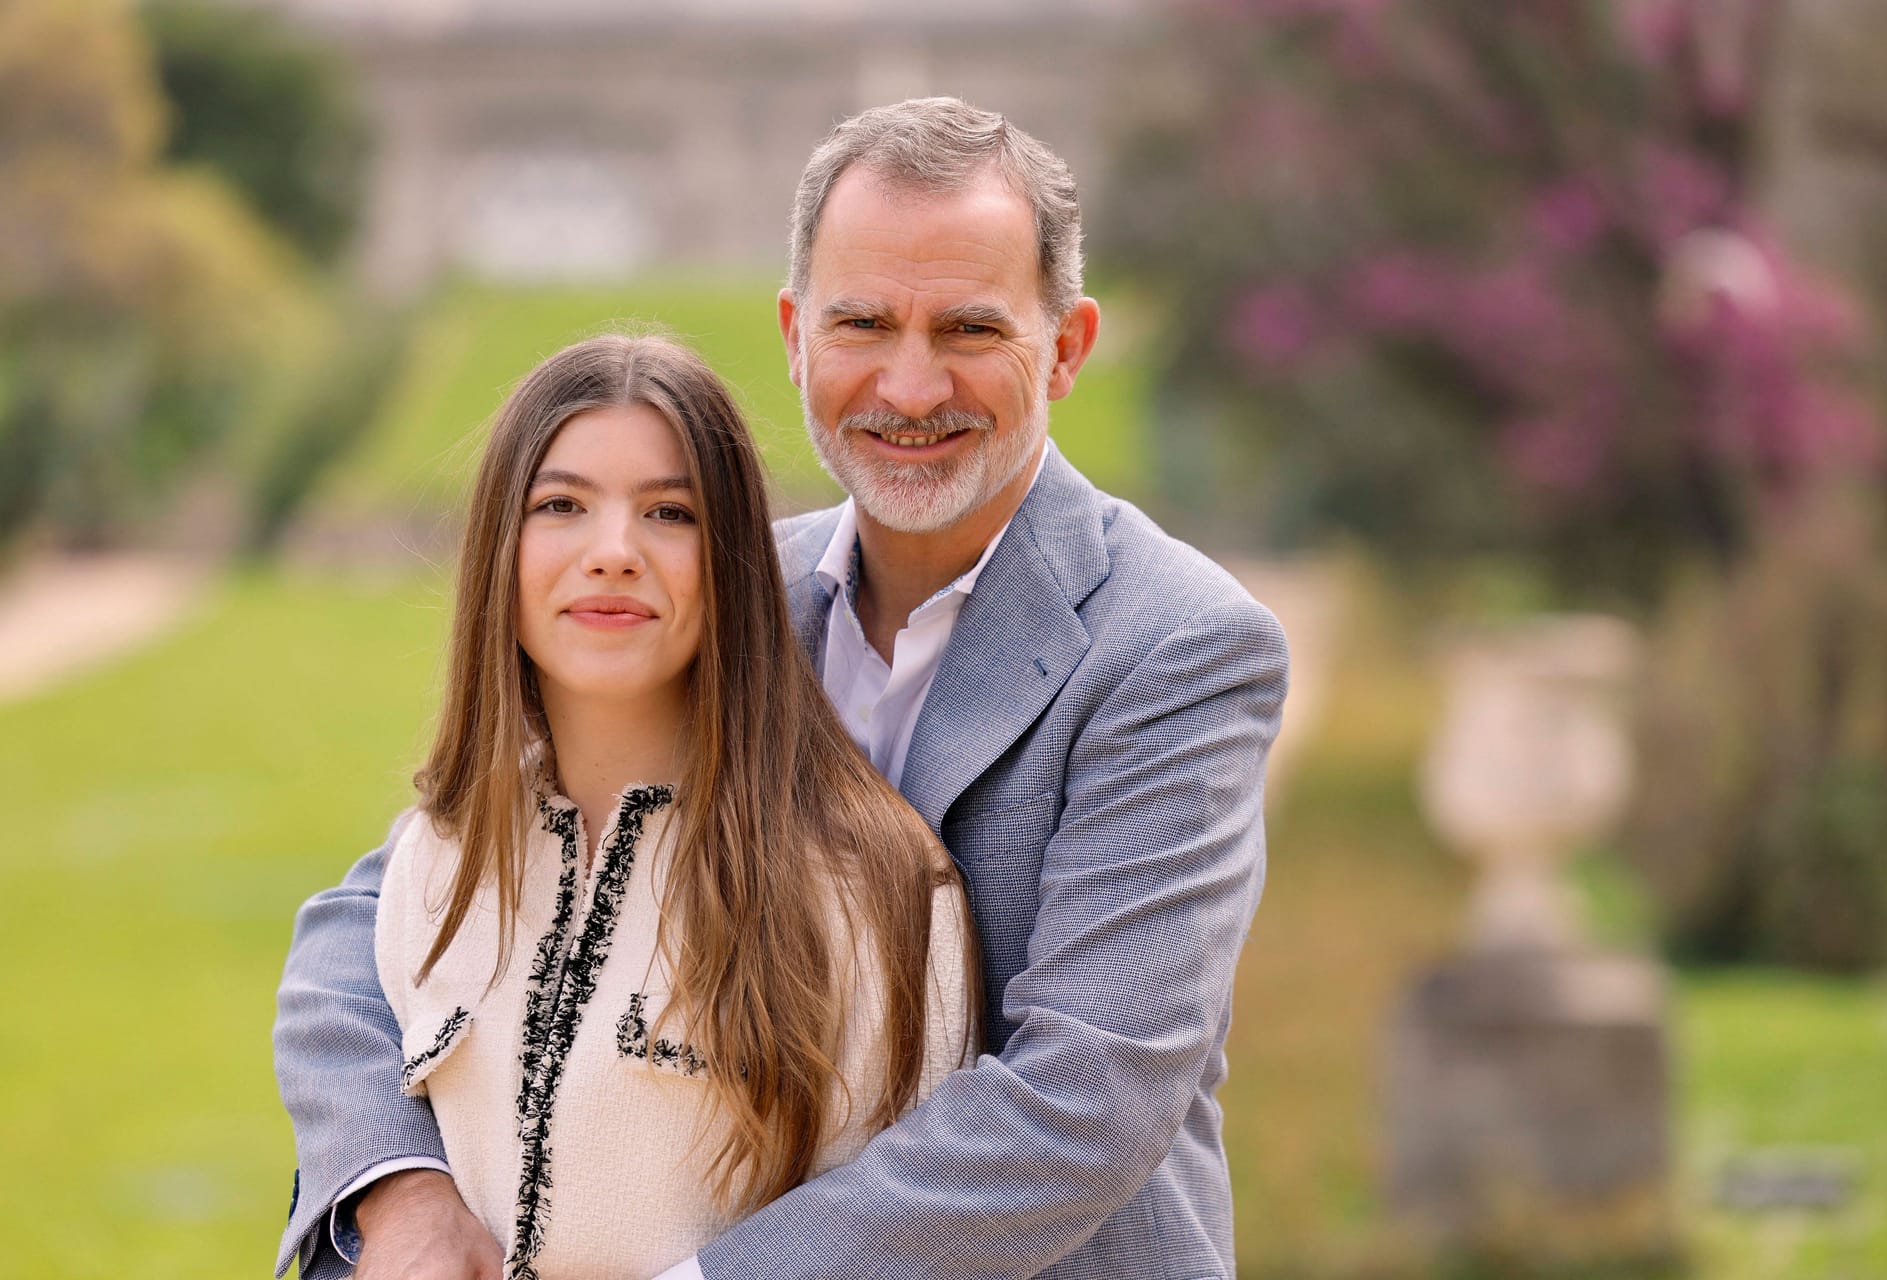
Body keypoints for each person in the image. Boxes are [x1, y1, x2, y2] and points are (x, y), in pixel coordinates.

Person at [276, 97, 1289, 1280]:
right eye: (862, 322)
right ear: (797, 333)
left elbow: (1083, 1102)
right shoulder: (730, 582)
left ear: (1065, 347)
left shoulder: (1177, 646)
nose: (911, 387)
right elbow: (380, 910)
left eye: (969, 328)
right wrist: (396, 1193)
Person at [324, 333, 977, 1279]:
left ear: (735, 564)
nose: (614, 553)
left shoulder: (873, 884)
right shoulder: (437, 856)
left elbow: (915, 1243)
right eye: (561, 506)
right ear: (499, 552)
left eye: (670, 512)